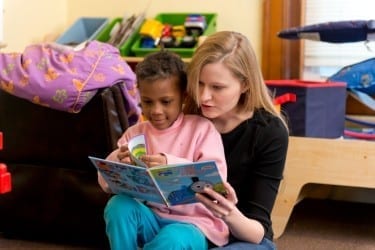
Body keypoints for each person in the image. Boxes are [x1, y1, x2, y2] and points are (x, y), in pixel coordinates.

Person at [97, 50, 229, 249]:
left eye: (166, 102)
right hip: (151, 217)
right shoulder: (134, 134)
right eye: (148, 102)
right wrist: (116, 160)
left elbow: (216, 183)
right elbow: (106, 185)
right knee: (118, 206)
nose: (156, 111)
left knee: (172, 238)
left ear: (183, 96)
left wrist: (169, 164)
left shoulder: (202, 130)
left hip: (193, 226)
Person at [183, 31, 289, 249]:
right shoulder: (187, 117)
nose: (203, 96)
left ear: (245, 85)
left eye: (217, 87)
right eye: (199, 83)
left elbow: (257, 231)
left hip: (241, 235)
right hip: (186, 225)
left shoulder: (269, 132)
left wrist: (228, 212)